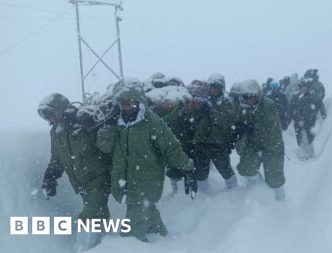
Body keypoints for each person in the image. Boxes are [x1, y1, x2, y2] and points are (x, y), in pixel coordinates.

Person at [108, 79, 197, 242]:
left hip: (147, 181)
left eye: (131, 102)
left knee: (131, 235)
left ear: (138, 101)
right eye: (123, 103)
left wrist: (188, 168)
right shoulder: (117, 123)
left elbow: (171, 147)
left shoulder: (151, 121)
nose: (127, 106)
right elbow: (106, 148)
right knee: (148, 213)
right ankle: (164, 241)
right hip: (127, 180)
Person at [38, 93, 111, 252]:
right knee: (99, 213)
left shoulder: (85, 123)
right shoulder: (56, 132)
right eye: (46, 118)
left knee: (89, 216)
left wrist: (95, 126)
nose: (50, 121)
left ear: (61, 111)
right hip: (81, 183)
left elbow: (107, 146)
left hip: (99, 178)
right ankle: (106, 244)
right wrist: (50, 176)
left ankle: (83, 247)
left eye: (51, 115)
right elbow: (57, 158)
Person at [235, 80, 286, 200]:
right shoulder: (244, 108)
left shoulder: (268, 105)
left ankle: (280, 198)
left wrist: (250, 126)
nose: (248, 100)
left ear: (257, 95)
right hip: (254, 145)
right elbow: (239, 125)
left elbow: (269, 127)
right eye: (245, 97)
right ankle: (260, 192)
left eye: (251, 96)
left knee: (275, 178)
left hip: (272, 145)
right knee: (246, 168)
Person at [192, 73, 238, 192]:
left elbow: (226, 120)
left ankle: (234, 191)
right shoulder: (205, 101)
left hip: (218, 143)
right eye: (211, 87)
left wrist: (210, 110)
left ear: (221, 88)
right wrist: (195, 111)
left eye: (215, 87)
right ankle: (202, 195)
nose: (212, 90)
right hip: (201, 142)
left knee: (225, 169)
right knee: (200, 172)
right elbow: (195, 121)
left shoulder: (227, 102)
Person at [290, 79, 327, 159]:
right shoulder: (296, 98)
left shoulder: (312, 96)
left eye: (304, 87)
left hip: (309, 121)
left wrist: (323, 113)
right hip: (298, 122)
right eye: (301, 88)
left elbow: (320, 103)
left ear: (307, 88)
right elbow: (290, 109)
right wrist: (288, 120)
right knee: (300, 138)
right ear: (299, 89)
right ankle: (302, 154)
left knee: (310, 138)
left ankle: (311, 153)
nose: (303, 89)